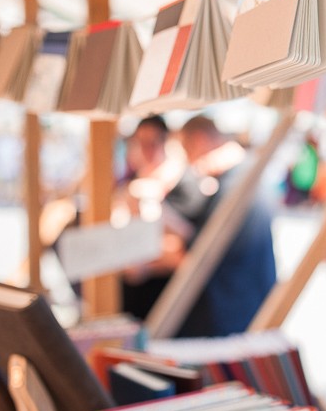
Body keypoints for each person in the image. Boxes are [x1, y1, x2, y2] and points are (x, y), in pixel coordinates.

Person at [174, 115, 278, 338]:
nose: (188, 161)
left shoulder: (234, 187)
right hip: (250, 310)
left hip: (232, 317)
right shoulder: (250, 175)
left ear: (200, 141)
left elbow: (197, 253)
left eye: (186, 150)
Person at [118, 116, 206, 321]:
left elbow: (184, 247)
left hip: (166, 298)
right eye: (140, 142)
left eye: (153, 142)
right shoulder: (136, 181)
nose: (147, 150)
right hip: (136, 298)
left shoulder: (184, 183)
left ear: (166, 141)